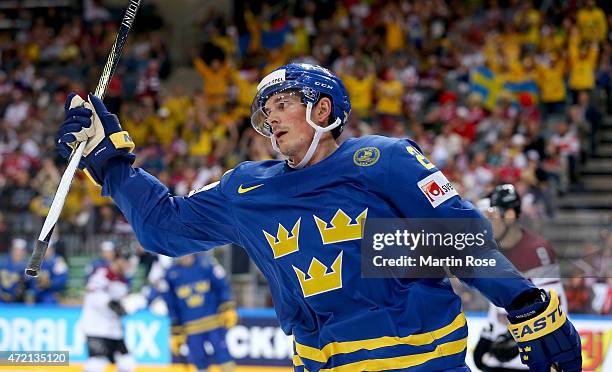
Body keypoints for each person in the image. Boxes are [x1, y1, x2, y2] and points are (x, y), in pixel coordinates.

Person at [57, 63, 581, 371]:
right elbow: (163, 228)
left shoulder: (383, 160)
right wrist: (111, 165)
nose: (271, 116)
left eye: (283, 102)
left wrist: (526, 302)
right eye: (267, 109)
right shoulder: (248, 188)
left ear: (324, 110)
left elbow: (456, 237)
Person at [473, 184, 568, 371]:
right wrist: (487, 335)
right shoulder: (492, 250)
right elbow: (499, 303)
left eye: (490, 216)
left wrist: (520, 344)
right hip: (499, 359)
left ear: (508, 215)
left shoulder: (537, 251)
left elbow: (555, 308)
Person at [160, 254, 237, 372]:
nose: (184, 256)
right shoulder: (171, 274)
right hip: (191, 327)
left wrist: (227, 306)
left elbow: (222, 286)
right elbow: (171, 303)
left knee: (223, 354)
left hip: (214, 322)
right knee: (198, 360)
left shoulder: (207, 264)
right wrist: (175, 329)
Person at [79, 248, 135, 372]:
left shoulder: (124, 280)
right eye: (125, 262)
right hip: (95, 328)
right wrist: (111, 304)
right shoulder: (103, 273)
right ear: (118, 260)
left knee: (127, 362)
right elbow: (93, 293)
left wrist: (125, 307)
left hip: (114, 330)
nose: (127, 266)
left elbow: (125, 302)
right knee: (96, 364)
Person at [0, 238, 28, 303]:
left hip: (17, 300)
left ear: (24, 252)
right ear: (11, 250)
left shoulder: (26, 267)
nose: (17, 253)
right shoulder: (3, 263)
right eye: (16, 250)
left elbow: (28, 286)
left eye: (20, 251)